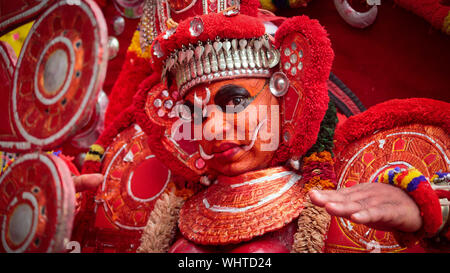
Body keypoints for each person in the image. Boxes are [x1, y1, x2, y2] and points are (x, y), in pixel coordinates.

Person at [77, 2, 449, 252]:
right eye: (196, 114)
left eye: (234, 101)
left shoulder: (348, 190)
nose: (212, 130)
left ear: (285, 97)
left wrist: (428, 217)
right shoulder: (163, 206)